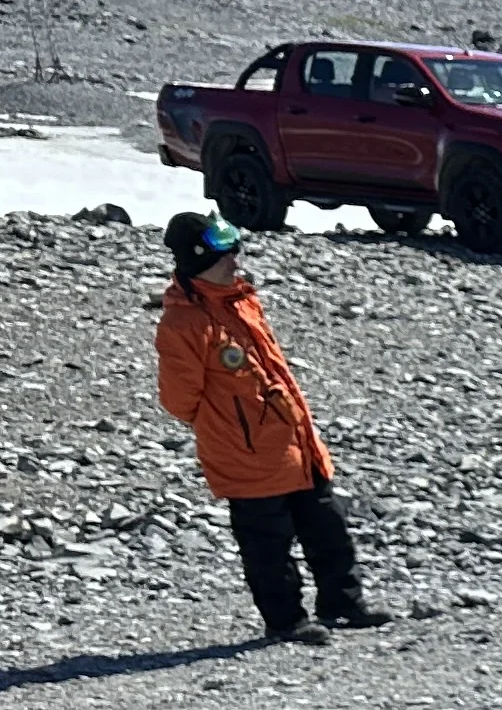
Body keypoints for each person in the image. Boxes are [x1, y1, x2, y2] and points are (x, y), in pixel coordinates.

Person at [152, 209, 380, 646]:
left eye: (235, 250)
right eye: (225, 255)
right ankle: (285, 620)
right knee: (267, 544)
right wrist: (233, 423)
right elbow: (179, 400)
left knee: (326, 526)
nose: (236, 260)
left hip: (292, 440)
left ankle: (343, 602)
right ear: (199, 260)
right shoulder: (184, 322)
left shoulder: (239, 300)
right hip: (246, 454)